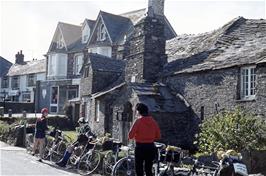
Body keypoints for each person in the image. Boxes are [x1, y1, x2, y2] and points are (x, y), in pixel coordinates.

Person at [128, 103, 161, 176]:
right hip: (150, 147)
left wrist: (138, 135)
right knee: (148, 169)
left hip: (140, 147)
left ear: (138, 111)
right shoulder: (153, 122)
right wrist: (150, 137)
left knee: (139, 169)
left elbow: (130, 136)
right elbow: (158, 136)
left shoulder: (138, 121)